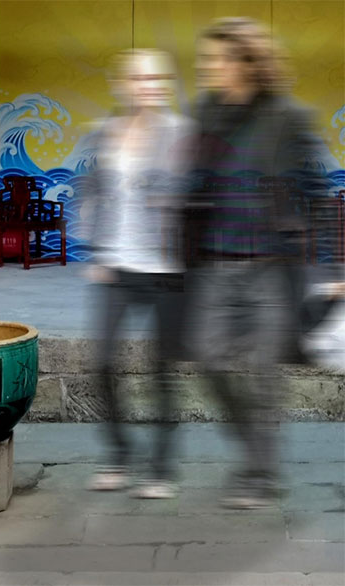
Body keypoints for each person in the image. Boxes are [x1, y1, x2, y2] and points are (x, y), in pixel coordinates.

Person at [187, 17, 322, 509]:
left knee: (265, 371)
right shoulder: (205, 112)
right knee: (208, 358)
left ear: (245, 61)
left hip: (270, 267)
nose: (207, 67)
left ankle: (260, 474)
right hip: (215, 265)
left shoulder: (289, 117)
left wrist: (330, 271)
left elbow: (316, 190)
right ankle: (254, 447)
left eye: (216, 59)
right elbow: (193, 180)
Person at [84, 49, 195, 499]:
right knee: (101, 363)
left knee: (160, 368)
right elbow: (93, 191)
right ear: (123, 85)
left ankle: (161, 469)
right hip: (117, 264)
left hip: (166, 268)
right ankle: (119, 455)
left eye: (156, 79)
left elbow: (190, 191)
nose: (149, 87)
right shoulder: (107, 131)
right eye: (139, 79)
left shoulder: (180, 132)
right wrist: (97, 249)